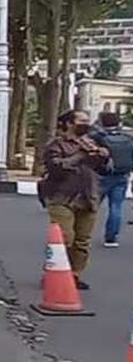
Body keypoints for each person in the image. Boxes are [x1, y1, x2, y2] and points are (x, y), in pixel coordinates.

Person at [43, 109, 109, 289]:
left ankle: (74, 275)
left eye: (88, 121)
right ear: (69, 123)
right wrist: (79, 156)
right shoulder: (57, 144)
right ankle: (54, 272)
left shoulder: (93, 143)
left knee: (82, 241)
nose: (86, 124)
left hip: (88, 197)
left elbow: (105, 170)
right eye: (82, 121)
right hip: (62, 197)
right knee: (64, 238)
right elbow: (55, 167)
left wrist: (103, 157)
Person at [90, 111, 132, 248]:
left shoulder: (97, 137)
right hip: (122, 175)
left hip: (100, 175)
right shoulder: (127, 137)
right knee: (116, 206)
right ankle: (111, 237)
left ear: (101, 122)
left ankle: (83, 233)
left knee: (91, 205)